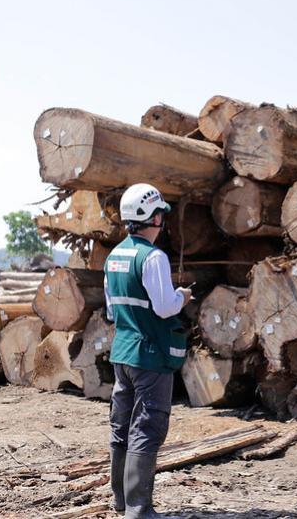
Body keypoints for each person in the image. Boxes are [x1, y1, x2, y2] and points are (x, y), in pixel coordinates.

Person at [105, 183, 192, 519]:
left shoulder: (114, 257)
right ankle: (139, 510)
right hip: (151, 356)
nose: (162, 222)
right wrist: (182, 296)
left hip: (122, 353)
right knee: (148, 427)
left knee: (121, 425)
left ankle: (121, 501)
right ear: (151, 218)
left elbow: (112, 312)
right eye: (160, 216)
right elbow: (165, 306)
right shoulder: (153, 258)